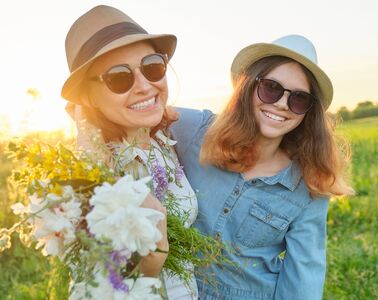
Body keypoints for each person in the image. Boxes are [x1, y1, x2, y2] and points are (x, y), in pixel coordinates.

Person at [171, 35, 354, 299]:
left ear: (308, 112)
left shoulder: (308, 185)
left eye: (299, 99)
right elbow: (138, 115)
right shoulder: (196, 131)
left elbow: (304, 276)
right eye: (271, 88)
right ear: (249, 87)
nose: (281, 104)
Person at [61, 5, 198, 299]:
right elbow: (94, 291)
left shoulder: (164, 142)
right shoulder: (91, 182)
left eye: (152, 66)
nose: (144, 86)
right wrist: (150, 264)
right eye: (119, 77)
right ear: (89, 96)